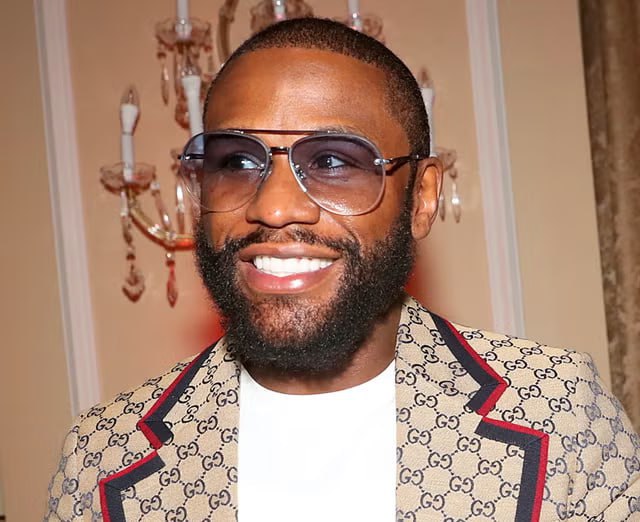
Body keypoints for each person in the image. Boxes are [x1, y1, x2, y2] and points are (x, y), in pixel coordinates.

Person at [46, 17, 640, 522]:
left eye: (332, 161)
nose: (274, 207)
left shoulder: (557, 411)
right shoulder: (103, 458)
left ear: (422, 198)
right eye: (238, 162)